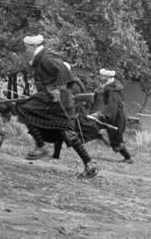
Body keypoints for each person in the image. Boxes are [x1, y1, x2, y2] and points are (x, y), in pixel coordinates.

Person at [16, 34, 98, 178]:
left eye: (27, 47)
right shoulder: (41, 58)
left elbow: (61, 70)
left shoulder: (46, 58)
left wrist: (58, 89)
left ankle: (41, 146)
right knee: (65, 131)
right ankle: (89, 163)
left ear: (33, 46)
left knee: (23, 109)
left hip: (58, 98)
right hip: (56, 97)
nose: (26, 50)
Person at [89, 68, 133, 163]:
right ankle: (102, 138)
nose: (100, 78)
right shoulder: (110, 87)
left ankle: (128, 158)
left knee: (116, 139)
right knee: (95, 127)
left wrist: (103, 114)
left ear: (107, 77)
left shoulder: (113, 89)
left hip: (116, 117)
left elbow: (112, 105)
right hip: (112, 115)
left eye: (102, 76)